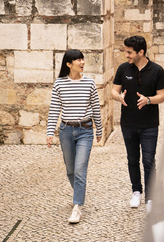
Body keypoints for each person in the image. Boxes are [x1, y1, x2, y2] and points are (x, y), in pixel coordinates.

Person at [111, 36, 164, 212]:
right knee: (132, 159)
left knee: (149, 160)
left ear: (140, 52)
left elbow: (162, 96)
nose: (126, 55)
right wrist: (118, 97)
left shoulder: (157, 70)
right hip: (128, 123)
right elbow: (114, 90)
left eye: (129, 52)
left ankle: (151, 198)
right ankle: (136, 191)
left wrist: (148, 100)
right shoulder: (123, 68)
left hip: (149, 124)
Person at [46, 49, 103, 224]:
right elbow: (55, 109)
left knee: (79, 169)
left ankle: (77, 206)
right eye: (78, 60)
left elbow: (95, 108)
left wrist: (99, 130)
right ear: (69, 64)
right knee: (70, 170)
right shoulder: (59, 84)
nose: (82, 62)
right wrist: (50, 131)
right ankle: (79, 190)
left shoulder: (89, 83)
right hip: (66, 131)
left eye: (82, 59)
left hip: (85, 131)